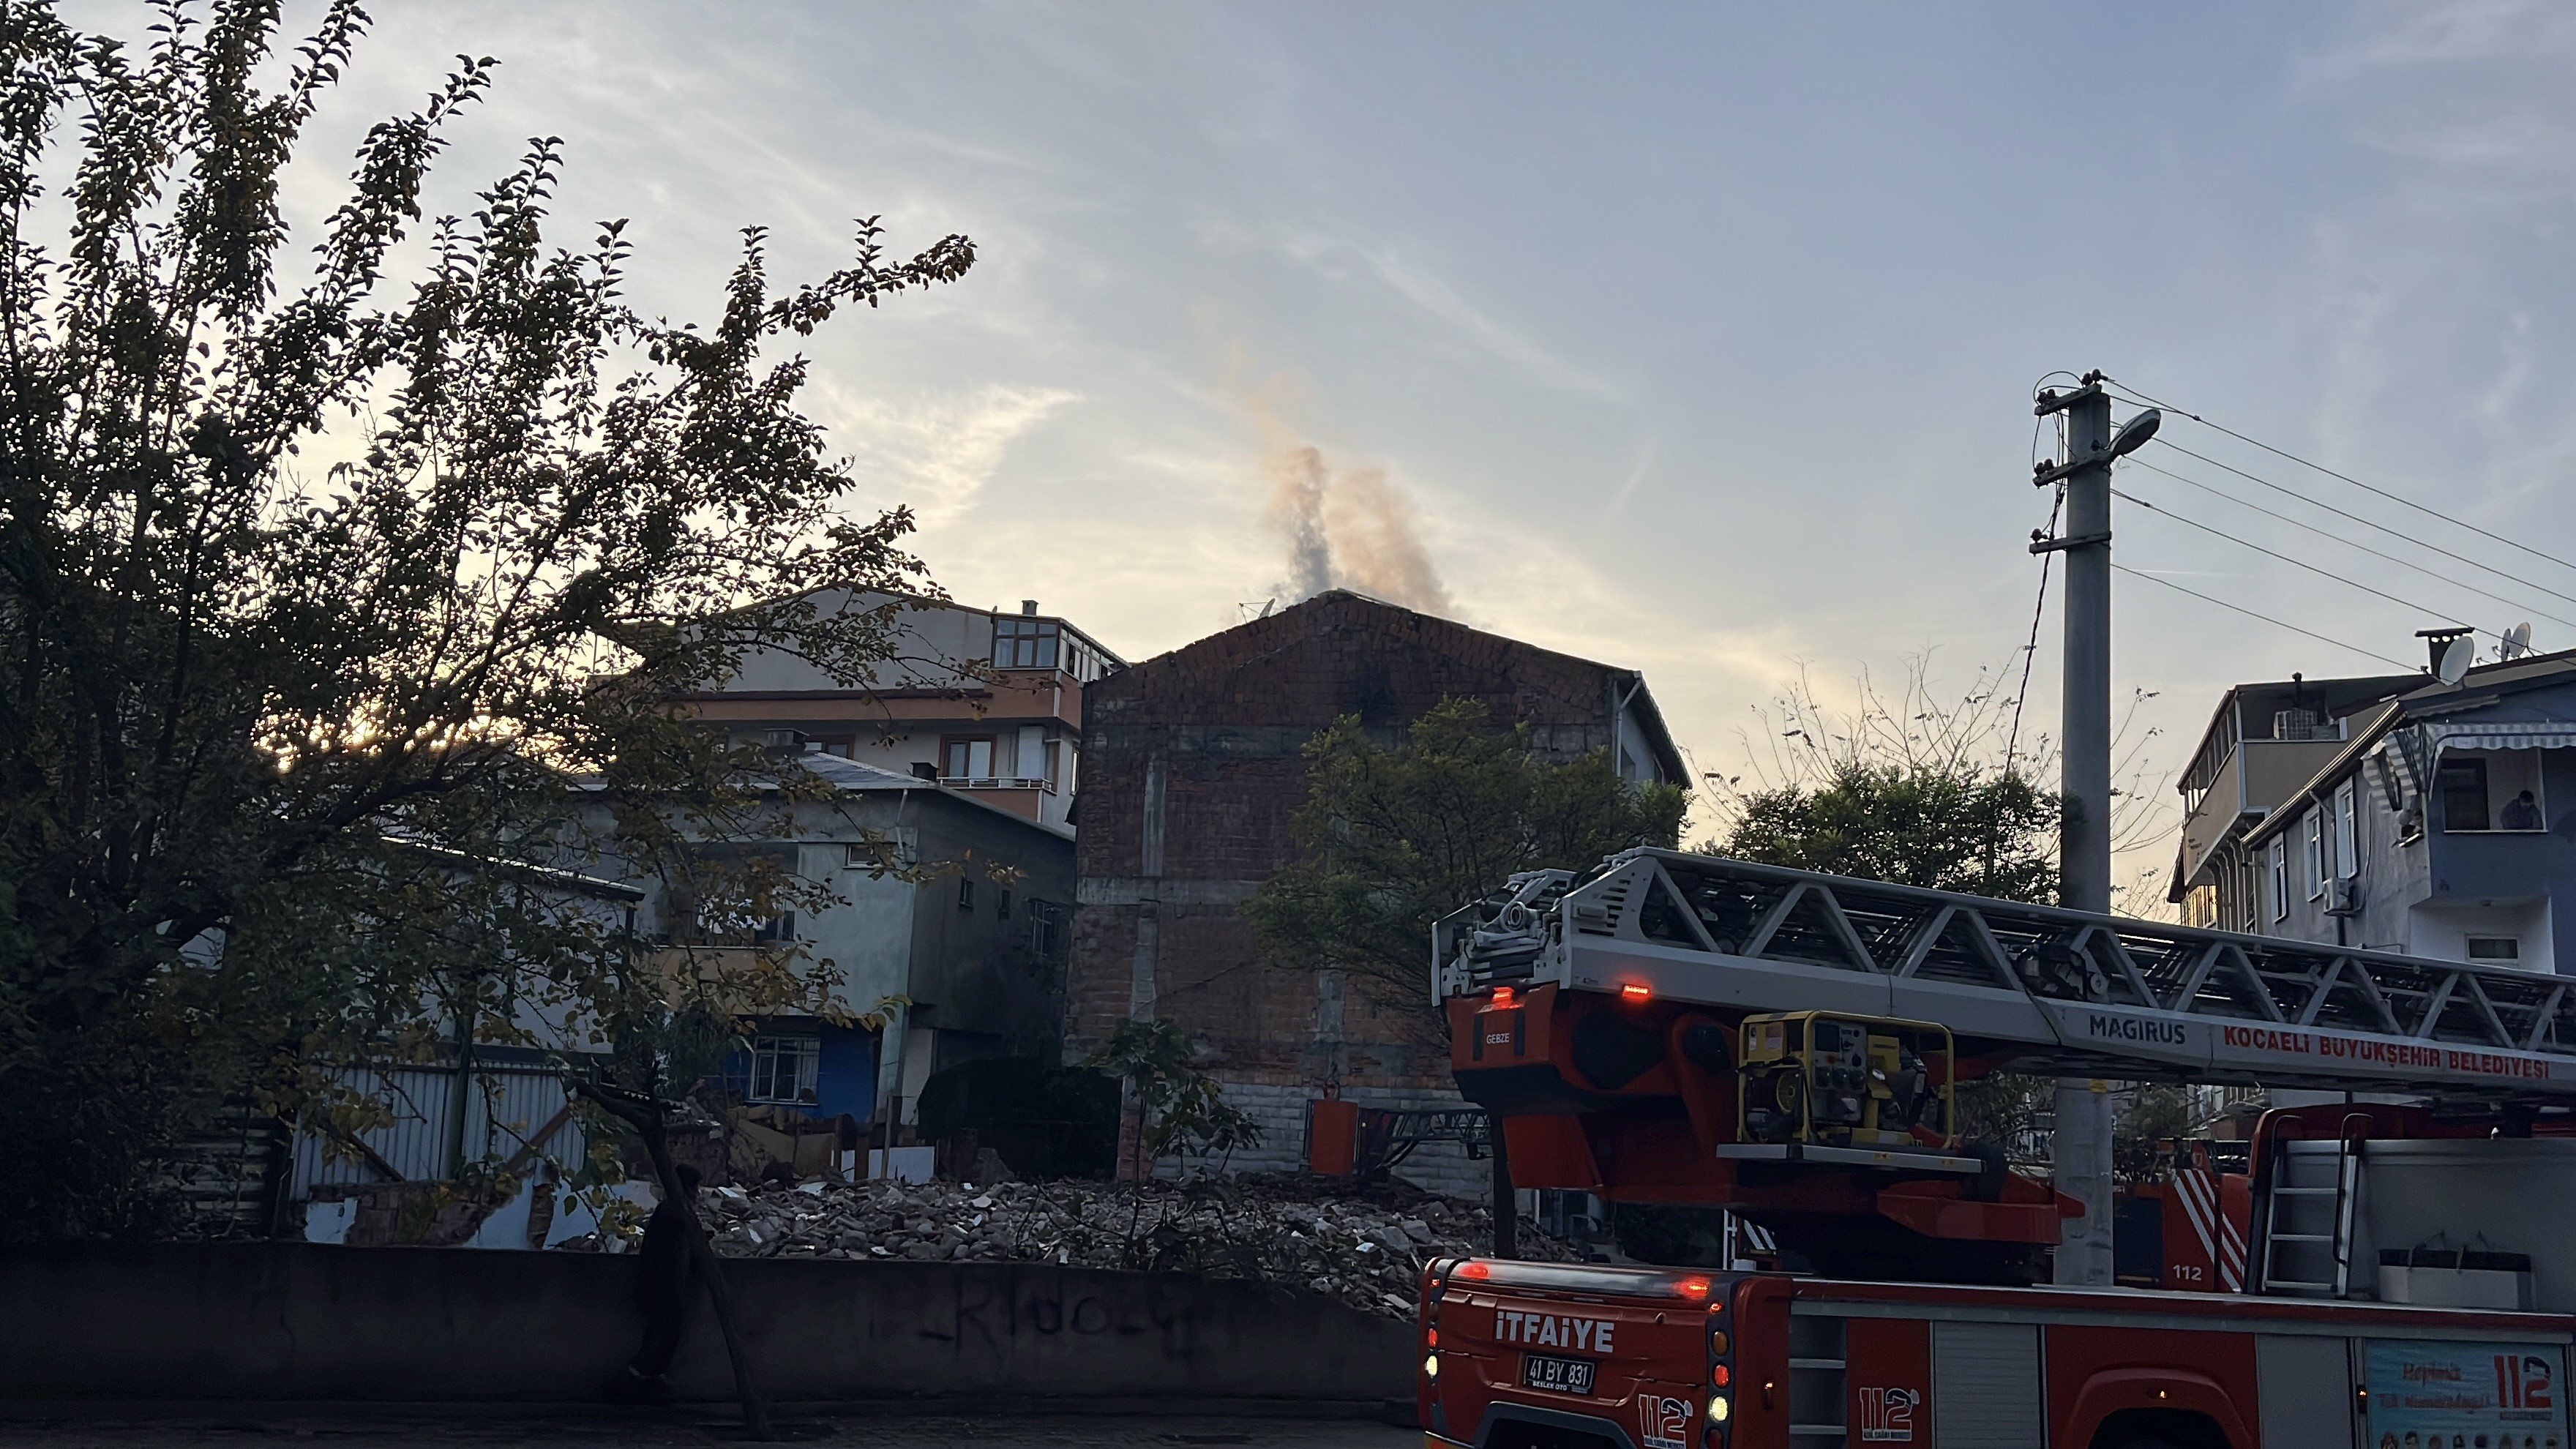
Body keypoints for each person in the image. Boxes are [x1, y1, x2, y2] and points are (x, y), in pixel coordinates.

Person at [611, 1163, 700, 1401]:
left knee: (664, 1338)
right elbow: (684, 1253)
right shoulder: (675, 1214)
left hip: (667, 1287)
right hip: (667, 1287)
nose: (698, 1194)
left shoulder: (671, 1212)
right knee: (660, 1339)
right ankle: (631, 1382)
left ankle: (645, 1382)